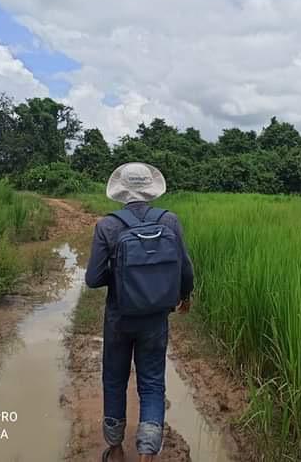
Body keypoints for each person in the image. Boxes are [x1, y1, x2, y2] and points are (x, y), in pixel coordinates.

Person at [85, 162, 194, 462]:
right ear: (150, 190)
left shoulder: (107, 225)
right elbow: (185, 268)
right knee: (152, 383)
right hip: (156, 318)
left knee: (115, 379)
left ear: (121, 192)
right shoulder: (169, 221)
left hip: (119, 317)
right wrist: (185, 296)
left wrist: (118, 273)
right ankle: (147, 454)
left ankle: (116, 449)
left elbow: (93, 279)